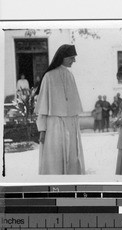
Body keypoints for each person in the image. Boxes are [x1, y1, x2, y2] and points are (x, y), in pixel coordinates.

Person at [34, 44, 85, 175]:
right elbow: (43, 107)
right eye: (72, 58)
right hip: (54, 125)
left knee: (72, 159)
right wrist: (42, 130)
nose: (74, 61)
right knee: (54, 159)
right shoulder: (48, 76)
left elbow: (73, 104)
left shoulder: (70, 75)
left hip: (71, 123)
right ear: (63, 57)